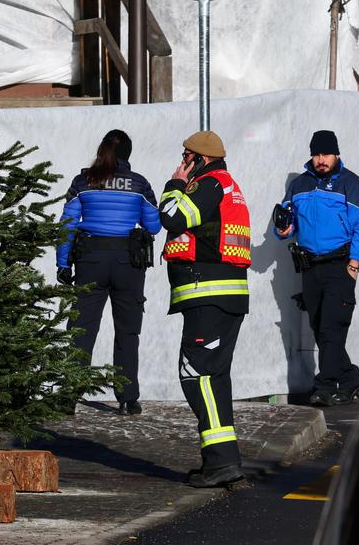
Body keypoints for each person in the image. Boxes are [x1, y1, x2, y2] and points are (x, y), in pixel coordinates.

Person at [159, 130, 250, 488]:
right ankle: (221, 461)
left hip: (208, 295)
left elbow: (172, 217)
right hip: (224, 296)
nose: (183, 162)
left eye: (186, 157)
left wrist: (174, 183)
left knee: (198, 376)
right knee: (213, 377)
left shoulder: (208, 184)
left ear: (201, 158)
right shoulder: (226, 184)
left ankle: (222, 462)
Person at [57, 129, 161, 415]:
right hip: (128, 262)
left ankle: (69, 395)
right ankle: (128, 398)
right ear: (128, 153)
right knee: (127, 330)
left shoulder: (83, 181)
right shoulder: (139, 184)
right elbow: (153, 226)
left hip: (90, 260)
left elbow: (67, 223)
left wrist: (63, 264)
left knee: (81, 329)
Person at [274, 129, 359, 407]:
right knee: (321, 329)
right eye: (316, 154)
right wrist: (283, 228)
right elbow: (288, 224)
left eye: (326, 154)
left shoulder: (351, 184)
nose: (321, 159)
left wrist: (354, 263)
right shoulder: (300, 185)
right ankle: (353, 381)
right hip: (309, 267)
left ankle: (325, 386)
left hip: (340, 265)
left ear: (336, 154)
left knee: (332, 327)